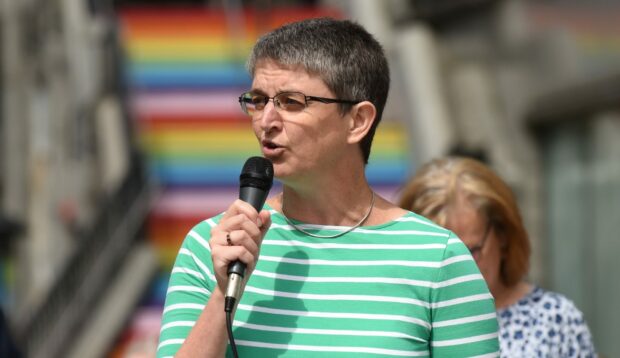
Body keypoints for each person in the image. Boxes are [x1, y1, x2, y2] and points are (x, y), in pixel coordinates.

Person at [157, 18, 499, 358]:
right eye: (258, 100)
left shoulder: (437, 257)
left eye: (291, 102)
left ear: (358, 121)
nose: (266, 121)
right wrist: (223, 294)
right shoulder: (213, 245)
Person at [399, 156, 597, 357]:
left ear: (502, 234)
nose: (459, 269)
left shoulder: (554, 320)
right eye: (439, 258)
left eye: (472, 251)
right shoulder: (402, 322)